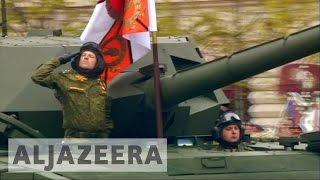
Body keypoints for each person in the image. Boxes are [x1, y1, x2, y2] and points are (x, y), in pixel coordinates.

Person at [31, 42, 113, 138]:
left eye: (91, 56)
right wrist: (60, 60)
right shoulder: (65, 78)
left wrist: (107, 132)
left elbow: (106, 114)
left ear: (97, 62)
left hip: (100, 140)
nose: (86, 57)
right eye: (83, 55)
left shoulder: (100, 83)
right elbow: (37, 76)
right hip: (75, 139)